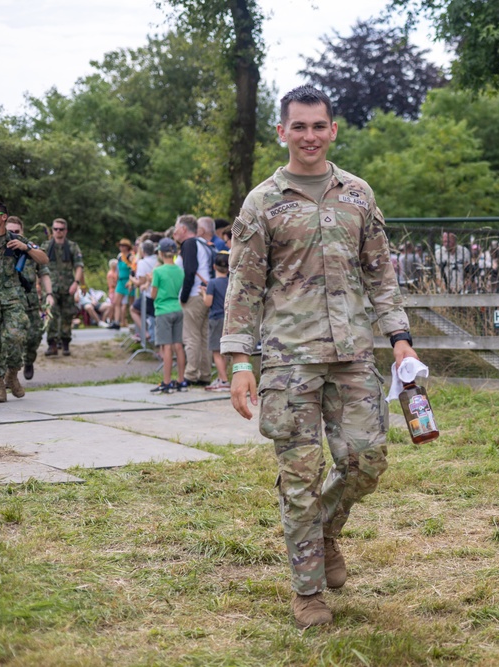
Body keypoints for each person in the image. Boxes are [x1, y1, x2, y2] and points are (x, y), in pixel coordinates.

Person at [222, 85, 419, 629]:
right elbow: (244, 287)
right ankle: (307, 591)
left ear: (333, 130)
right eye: (299, 126)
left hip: (354, 352)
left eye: (319, 126)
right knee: (300, 474)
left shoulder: (358, 194)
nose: (309, 136)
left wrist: (399, 335)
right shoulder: (263, 202)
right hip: (290, 360)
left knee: (366, 460)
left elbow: (379, 271)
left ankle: (327, 529)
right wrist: (241, 361)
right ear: (282, 131)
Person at [0, 201, 48, 401]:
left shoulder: (17, 239)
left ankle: (12, 374)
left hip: (12, 297)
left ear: (3, 217)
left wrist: (25, 248)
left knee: (16, 335)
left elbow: (43, 259)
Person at [4, 216, 52, 380]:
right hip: (7, 304)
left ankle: (29, 360)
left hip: (30, 304)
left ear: (22, 232)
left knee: (34, 338)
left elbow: (44, 270)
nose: (14, 235)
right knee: (10, 340)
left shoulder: (30, 247)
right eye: (10, 231)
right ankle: (10, 375)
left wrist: (49, 294)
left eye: (17, 232)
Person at [173, 214, 214, 386]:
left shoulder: (188, 244)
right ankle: (205, 373)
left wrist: (183, 296)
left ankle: (190, 373)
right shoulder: (203, 244)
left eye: (175, 229)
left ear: (183, 229)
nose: (174, 233)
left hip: (193, 294)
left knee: (191, 336)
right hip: (205, 292)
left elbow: (190, 271)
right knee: (204, 335)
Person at [151, 238, 187, 393]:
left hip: (163, 310)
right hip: (177, 308)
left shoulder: (158, 271)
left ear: (160, 253)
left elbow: (153, 294)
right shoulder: (180, 270)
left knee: (166, 347)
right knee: (178, 345)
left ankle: (166, 382)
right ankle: (181, 380)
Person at [44, 217, 84, 357]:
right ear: (52, 230)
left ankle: (65, 343)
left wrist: (77, 283)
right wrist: (38, 284)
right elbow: (39, 266)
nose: (58, 232)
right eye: (55, 229)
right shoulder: (46, 246)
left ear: (65, 231)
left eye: (61, 229)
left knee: (67, 316)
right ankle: (52, 344)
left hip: (68, 287)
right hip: (51, 288)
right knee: (51, 315)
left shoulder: (72, 246)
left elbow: (79, 266)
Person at [203, 251, 231, 391]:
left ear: (214, 267)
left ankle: (224, 381)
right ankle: (222, 377)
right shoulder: (230, 282)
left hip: (215, 318)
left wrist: (203, 293)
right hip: (227, 318)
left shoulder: (212, 283)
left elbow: (208, 302)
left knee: (216, 351)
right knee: (224, 351)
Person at [130, 239, 159, 344]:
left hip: (148, 294)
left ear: (143, 250)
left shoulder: (142, 262)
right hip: (159, 294)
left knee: (133, 310)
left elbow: (140, 282)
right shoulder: (158, 260)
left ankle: (145, 333)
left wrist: (132, 279)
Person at [114, 238, 135, 329]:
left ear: (127, 247)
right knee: (117, 302)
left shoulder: (131, 256)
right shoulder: (119, 257)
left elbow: (134, 269)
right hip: (121, 280)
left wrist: (131, 281)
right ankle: (116, 321)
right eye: (120, 246)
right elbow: (118, 269)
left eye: (123, 246)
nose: (121, 247)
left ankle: (135, 322)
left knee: (131, 303)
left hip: (129, 280)